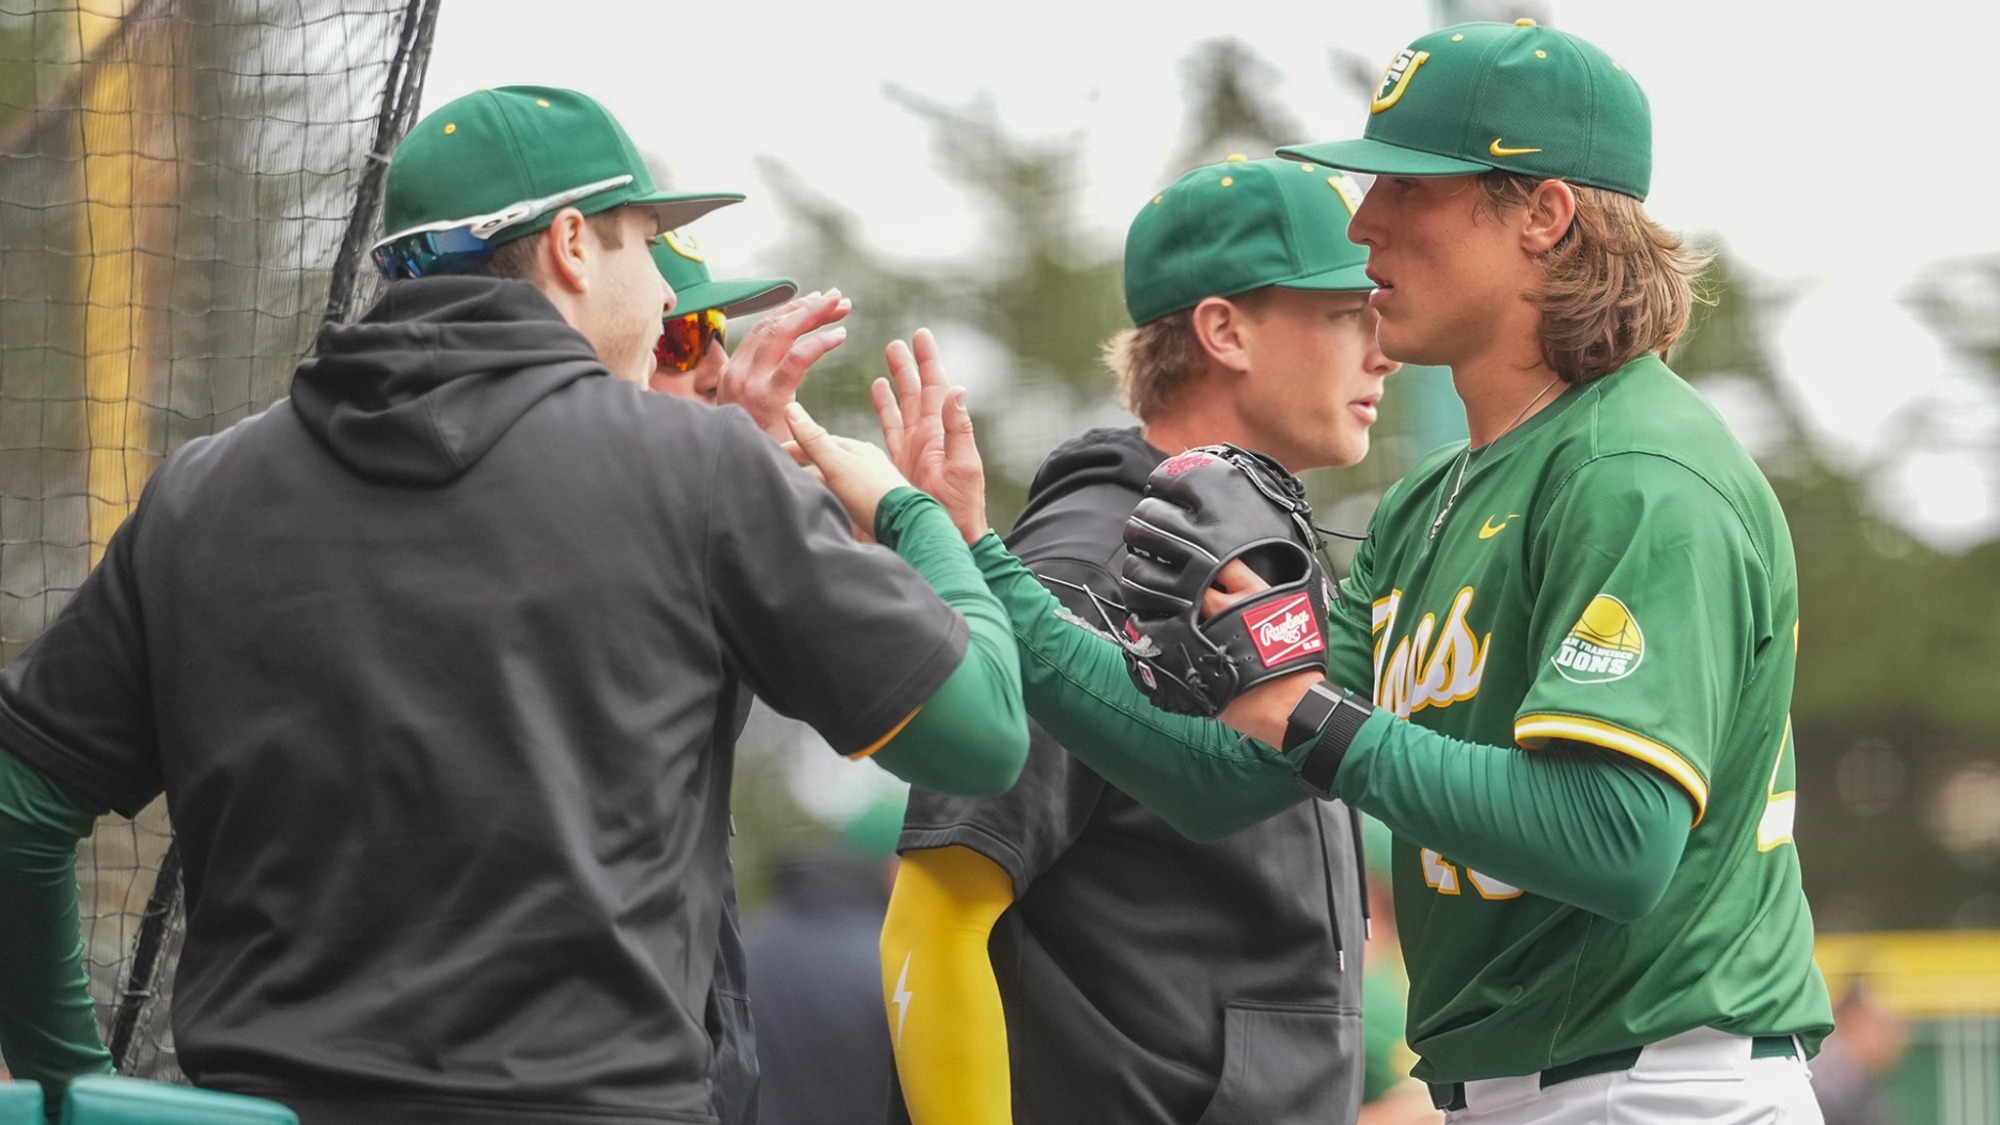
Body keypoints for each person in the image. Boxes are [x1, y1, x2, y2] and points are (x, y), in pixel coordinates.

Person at [800, 19, 1834, 1125]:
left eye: (1410, 187)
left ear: (1543, 214)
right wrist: (970, 552)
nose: (1365, 220)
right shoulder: (1430, 499)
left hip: (1658, 1084)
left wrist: (1307, 716)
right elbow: (1224, 775)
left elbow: (1616, 839)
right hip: (1530, 1088)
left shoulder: (1635, 470)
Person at [0, 84, 1028, 1125]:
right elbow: (982, 738)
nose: (663, 297)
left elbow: (17, 807)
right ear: (574, 245)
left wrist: (72, 1087)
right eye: (645, 246)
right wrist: (918, 516)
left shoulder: (203, 493)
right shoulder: (692, 468)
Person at [879, 156, 1394, 1125]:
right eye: (1344, 314)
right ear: (1223, 330)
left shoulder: (1255, 552)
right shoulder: (1092, 562)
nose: (1384, 350)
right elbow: (934, 914)